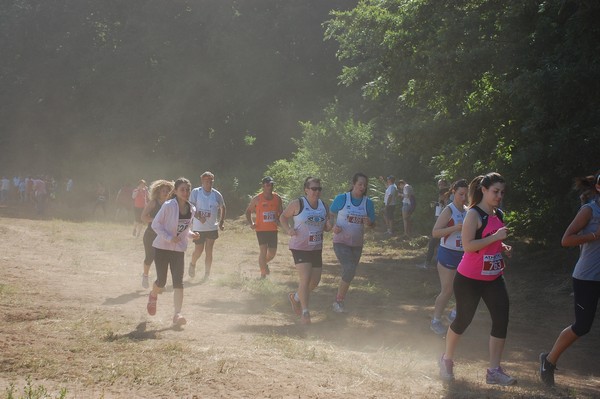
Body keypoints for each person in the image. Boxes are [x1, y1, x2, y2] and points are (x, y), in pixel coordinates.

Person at [439, 172, 516, 385]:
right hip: (469, 279)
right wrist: (496, 238)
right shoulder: (473, 214)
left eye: (502, 192)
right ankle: (446, 359)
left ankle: (494, 371)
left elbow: (492, 242)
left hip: (494, 277)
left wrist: (502, 247)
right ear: (483, 190)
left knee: (501, 320)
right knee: (463, 321)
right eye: (495, 191)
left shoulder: (498, 214)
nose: (499, 196)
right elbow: (469, 246)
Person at [539, 172, 600, 387]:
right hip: (587, 277)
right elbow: (566, 240)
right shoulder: (589, 210)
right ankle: (548, 360)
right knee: (582, 326)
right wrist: (594, 236)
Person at [146, 177, 199, 326]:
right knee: (161, 282)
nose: (186, 192)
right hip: (162, 248)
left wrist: (191, 234)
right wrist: (169, 238)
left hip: (178, 250)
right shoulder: (169, 206)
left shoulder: (192, 209)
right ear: (175, 191)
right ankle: (153, 295)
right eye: (182, 189)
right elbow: (156, 225)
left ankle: (177, 314)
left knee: (178, 282)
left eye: (188, 190)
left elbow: (184, 229)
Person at [280, 177, 331, 325]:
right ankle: (305, 313)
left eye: (319, 189)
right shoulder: (298, 203)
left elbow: (327, 226)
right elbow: (283, 216)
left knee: (314, 282)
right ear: (306, 190)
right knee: (305, 279)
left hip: (316, 247)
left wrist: (329, 225)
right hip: (300, 247)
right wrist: (288, 229)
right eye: (314, 189)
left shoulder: (324, 206)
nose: (317, 192)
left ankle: (295, 298)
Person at [330, 173, 376, 313]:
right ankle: (338, 302)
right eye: (360, 184)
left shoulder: (367, 202)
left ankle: (340, 299)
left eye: (364, 184)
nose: (362, 187)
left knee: (350, 271)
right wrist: (332, 226)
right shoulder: (342, 198)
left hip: (357, 244)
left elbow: (373, 223)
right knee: (349, 268)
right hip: (340, 242)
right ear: (353, 184)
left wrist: (369, 223)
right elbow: (330, 214)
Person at [429, 179, 468, 335]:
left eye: (466, 194)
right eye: (460, 194)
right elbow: (435, 232)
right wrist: (454, 228)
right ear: (453, 192)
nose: (464, 198)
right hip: (448, 253)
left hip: (464, 254)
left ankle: (454, 314)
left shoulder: (468, 210)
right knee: (447, 290)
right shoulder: (449, 210)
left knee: (465, 288)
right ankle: (435, 321)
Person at [189, 171, 226, 280]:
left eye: (211, 181)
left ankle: (207, 274)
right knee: (199, 250)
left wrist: (221, 221)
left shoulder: (216, 194)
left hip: (211, 227)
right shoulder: (196, 192)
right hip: (198, 227)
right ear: (202, 181)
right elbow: (190, 207)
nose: (209, 183)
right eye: (206, 181)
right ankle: (192, 263)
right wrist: (199, 217)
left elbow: (223, 207)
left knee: (209, 250)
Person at [245, 176, 283, 279]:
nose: (269, 187)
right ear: (263, 186)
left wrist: (278, 219)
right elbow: (248, 211)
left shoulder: (277, 198)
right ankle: (263, 274)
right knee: (263, 251)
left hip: (273, 229)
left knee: (272, 253)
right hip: (261, 229)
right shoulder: (257, 199)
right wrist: (251, 223)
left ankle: (263, 263)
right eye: (267, 185)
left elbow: (281, 213)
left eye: (271, 185)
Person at [140, 179, 174, 289]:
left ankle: (160, 281)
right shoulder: (153, 202)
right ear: (158, 192)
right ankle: (145, 275)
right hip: (151, 234)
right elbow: (143, 217)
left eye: (167, 191)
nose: (165, 193)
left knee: (161, 259)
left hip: (163, 235)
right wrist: (155, 220)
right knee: (149, 257)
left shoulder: (171, 204)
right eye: (162, 191)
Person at [418, 178, 450, 269]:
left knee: (433, 244)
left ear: (444, 195)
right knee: (438, 246)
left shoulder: (449, 205)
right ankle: (437, 263)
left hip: (443, 229)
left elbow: (442, 216)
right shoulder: (446, 203)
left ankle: (428, 264)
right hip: (443, 228)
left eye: (440, 196)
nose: (439, 197)